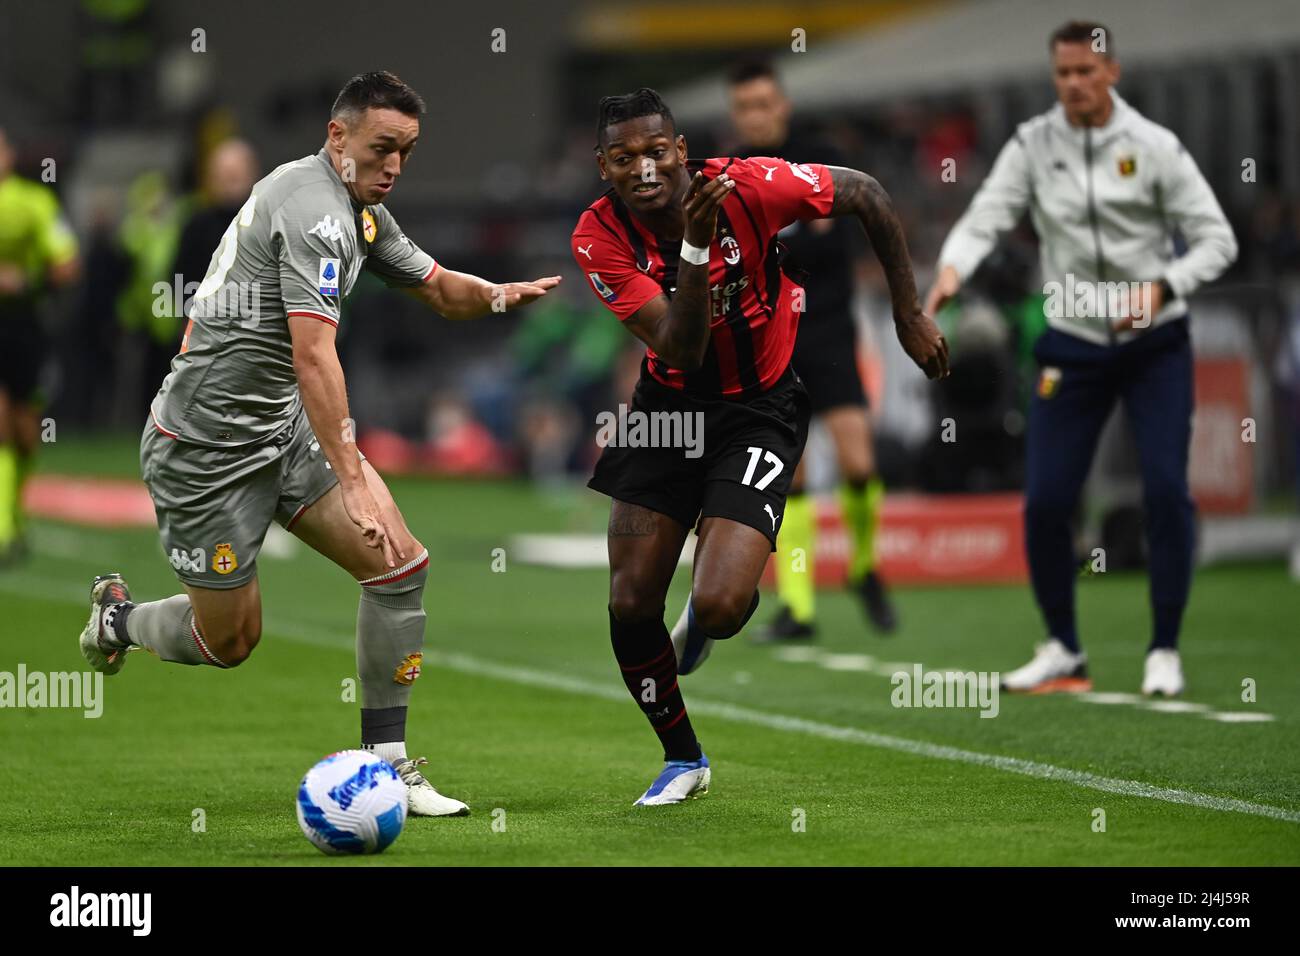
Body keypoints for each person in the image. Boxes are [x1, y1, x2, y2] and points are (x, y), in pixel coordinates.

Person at [78, 71, 560, 816]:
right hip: (205, 450)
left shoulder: (358, 208)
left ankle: (389, 766)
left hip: (282, 430)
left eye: (406, 151)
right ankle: (120, 620)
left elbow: (435, 286)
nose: (395, 166)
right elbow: (313, 357)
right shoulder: (312, 210)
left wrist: (499, 293)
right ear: (338, 138)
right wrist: (355, 475)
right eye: (381, 148)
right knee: (229, 643)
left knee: (399, 568)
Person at [571, 88, 947, 805]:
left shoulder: (749, 186)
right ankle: (683, 759)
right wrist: (692, 246)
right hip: (667, 411)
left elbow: (865, 193)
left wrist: (908, 312)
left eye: (657, 152)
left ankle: (712, 617)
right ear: (603, 167)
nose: (644, 169)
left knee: (716, 606)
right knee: (628, 601)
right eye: (624, 159)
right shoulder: (597, 237)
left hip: (758, 410)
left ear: (681, 151)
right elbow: (680, 346)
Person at [925, 21, 1238, 696]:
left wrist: (1164, 287)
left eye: (1084, 72)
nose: (1072, 85)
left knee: (1164, 488)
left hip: (1155, 343)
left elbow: (1218, 239)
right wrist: (950, 272)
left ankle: (1165, 649)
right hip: (1072, 342)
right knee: (1045, 500)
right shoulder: (1034, 145)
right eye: (1062, 74)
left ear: (1112, 73)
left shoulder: (1157, 148)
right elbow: (985, 215)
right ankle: (1064, 648)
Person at [727, 59, 897, 639]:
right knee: (790, 480)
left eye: (764, 104)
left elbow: (833, 246)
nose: (757, 115)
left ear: (783, 106)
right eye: (745, 107)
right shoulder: (731, 173)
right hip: (772, 341)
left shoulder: (817, 160)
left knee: (859, 463)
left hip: (829, 331)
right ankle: (797, 606)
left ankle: (864, 566)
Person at [0, 126, 81, 564]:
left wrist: (26, 280)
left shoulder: (34, 202)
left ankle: (13, 509)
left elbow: (68, 264)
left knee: (26, 430)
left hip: (24, 326)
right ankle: (3, 528)